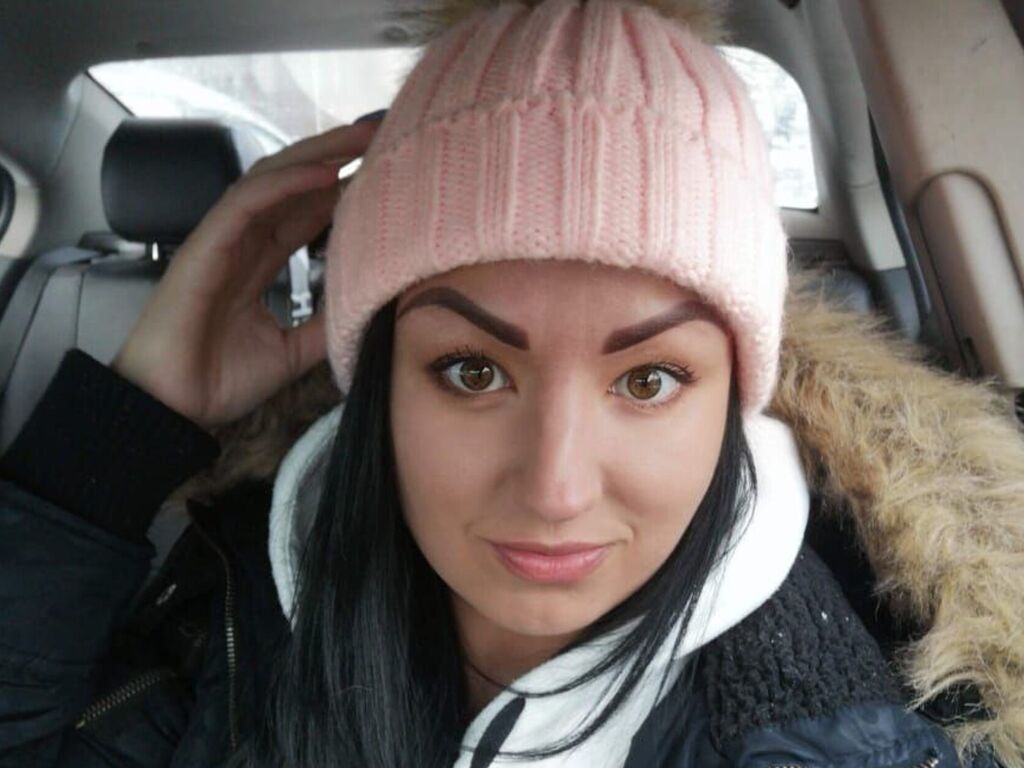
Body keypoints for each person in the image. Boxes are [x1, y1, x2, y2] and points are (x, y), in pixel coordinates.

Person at [1, 0, 1022, 767]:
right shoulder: (239, 601)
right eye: (473, 370)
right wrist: (132, 423)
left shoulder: (849, 719)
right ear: (379, 385)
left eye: (649, 379)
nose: (554, 489)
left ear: (734, 403)